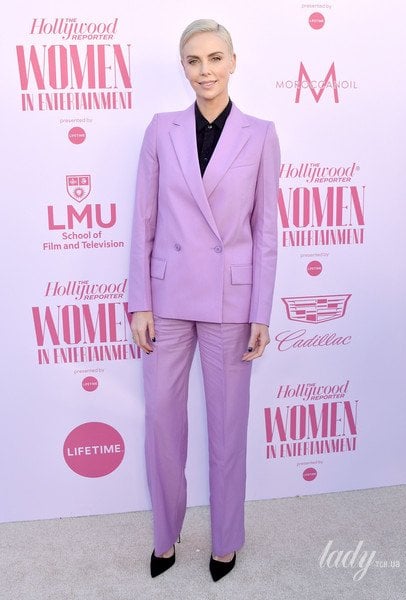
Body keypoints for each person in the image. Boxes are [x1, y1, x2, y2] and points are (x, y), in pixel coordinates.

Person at [128, 18, 280, 581]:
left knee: (227, 426)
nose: (205, 70)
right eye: (194, 60)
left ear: (233, 62)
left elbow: (266, 232)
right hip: (166, 299)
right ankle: (165, 535)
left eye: (215, 58)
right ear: (183, 67)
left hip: (229, 301)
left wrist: (261, 310)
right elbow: (143, 219)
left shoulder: (260, 134)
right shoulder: (160, 129)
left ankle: (225, 541)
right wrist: (139, 302)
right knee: (162, 423)